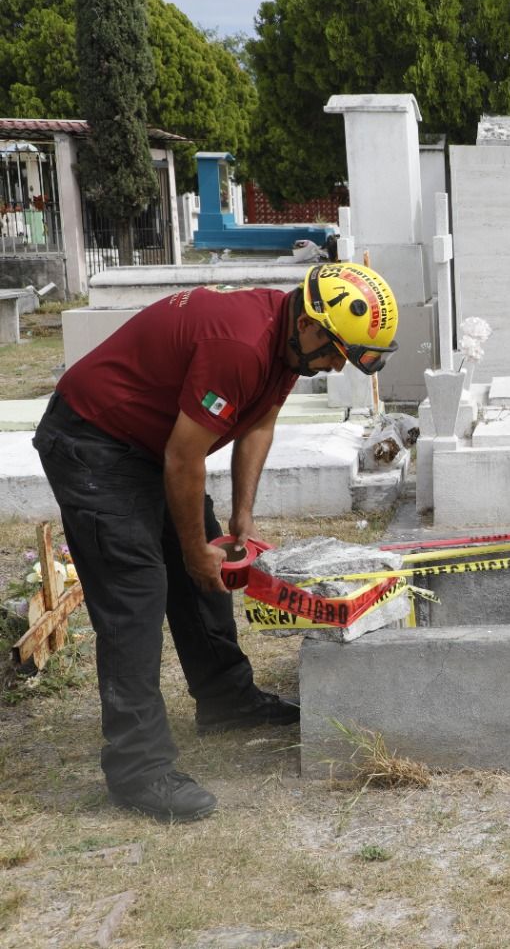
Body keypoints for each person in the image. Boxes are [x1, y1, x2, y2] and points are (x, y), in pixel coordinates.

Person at [32, 263, 399, 822]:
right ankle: (138, 769)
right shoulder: (242, 345)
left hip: (146, 444)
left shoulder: (284, 343)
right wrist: (191, 549)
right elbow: (184, 457)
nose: (331, 367)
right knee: (137, 591)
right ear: (310, 324)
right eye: (334, 354)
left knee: (211, 559)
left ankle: (226, 699)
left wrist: (240, 517)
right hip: (93, 440)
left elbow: (259, 422)